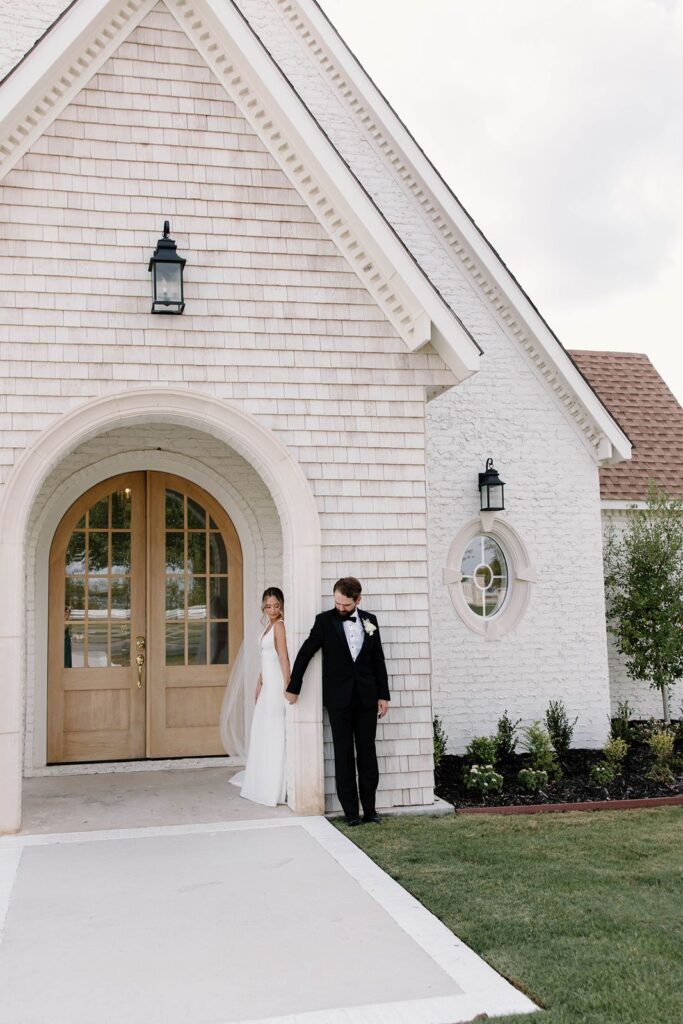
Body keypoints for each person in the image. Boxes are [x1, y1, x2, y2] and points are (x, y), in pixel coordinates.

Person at [287, 577, 389, 825]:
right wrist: (294, 686)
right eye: (337, 603)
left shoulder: (370, 621)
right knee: (343, 755)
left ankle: (371, 811)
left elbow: (378, 660)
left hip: (366, 699)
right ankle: (351, 814)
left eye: (345, 605)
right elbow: (305, 652)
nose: (340, 608)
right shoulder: (324, 621)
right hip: (338, 700)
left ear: (358, 600)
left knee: (367, 754)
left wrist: (383, 695)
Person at [229, 587, 295, 807]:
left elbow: (283, 657)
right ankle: (262, 778)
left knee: (275, 731)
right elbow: (266, 657)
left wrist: (288, 685)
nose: (273, 609)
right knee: (263, 730)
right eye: (268, 606)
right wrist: (259, 681)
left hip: (277, 686)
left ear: (282, 605)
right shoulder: (267, 625)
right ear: (263, 606)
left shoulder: (280, 626)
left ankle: (275, 785)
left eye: (276, 605)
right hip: (267, 684)